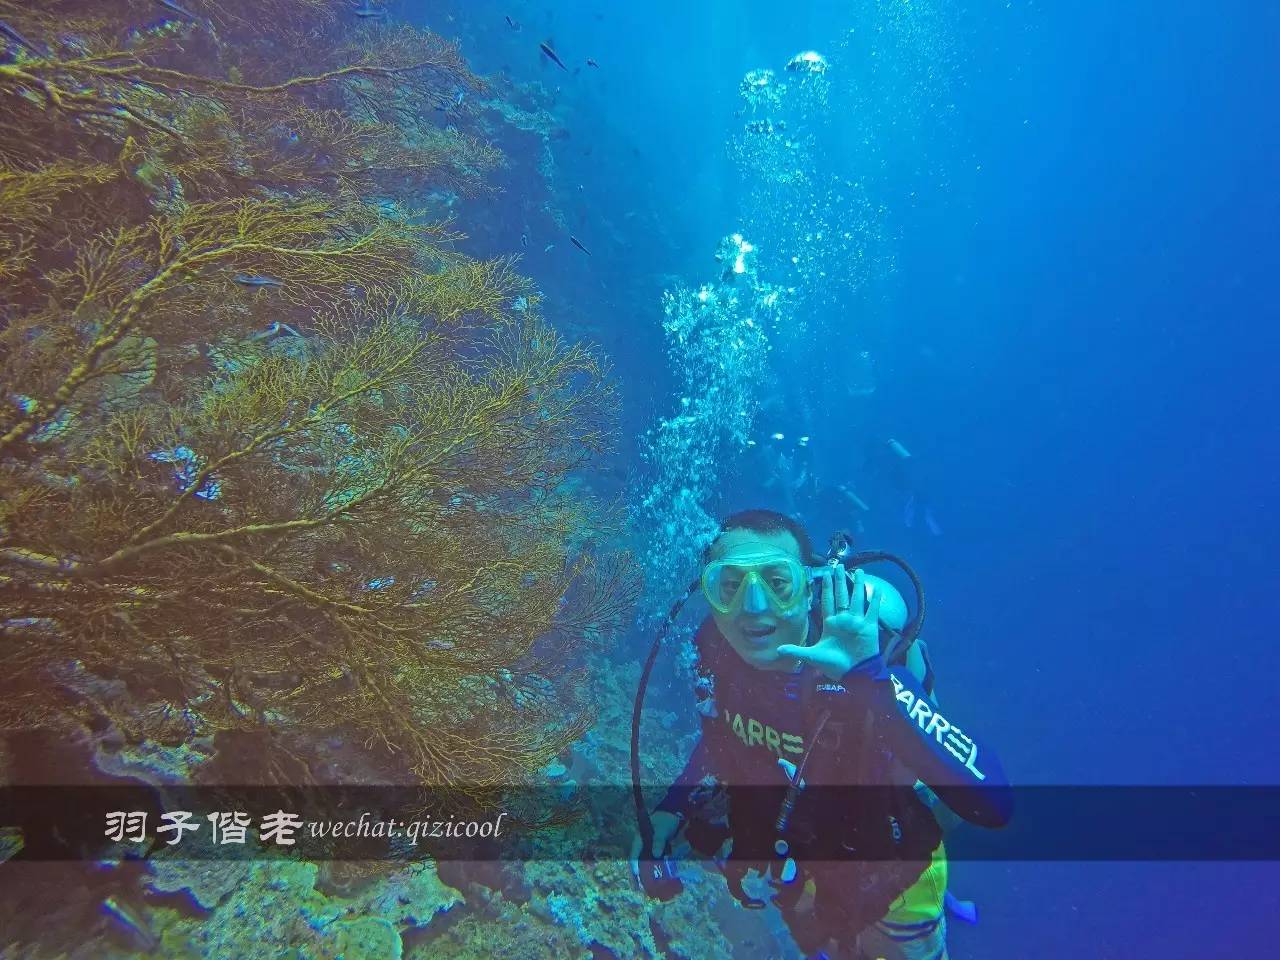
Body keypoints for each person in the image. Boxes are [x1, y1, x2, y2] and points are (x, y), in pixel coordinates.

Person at [630, 509, 1011, 959]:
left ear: (808, 586)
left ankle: (942, 912)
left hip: (896, 882)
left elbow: (994, 803)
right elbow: (721, 735)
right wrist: (673, 807)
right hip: (800, 868)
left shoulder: (866, 661)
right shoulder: (713, 649)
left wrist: (870, 680)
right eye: (729, 586)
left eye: (778, 582)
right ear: (708, 595)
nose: (754, 607)